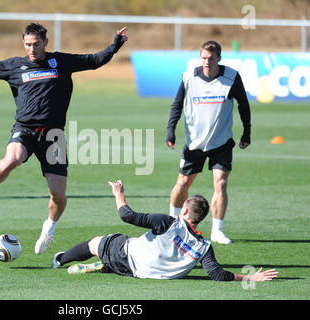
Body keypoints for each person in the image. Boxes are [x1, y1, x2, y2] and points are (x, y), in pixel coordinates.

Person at [0, 23, 128, 255]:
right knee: (13, 158)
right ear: (24, 43)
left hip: (53, 135)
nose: (32, 48)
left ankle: (48, 229)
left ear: (46, 43)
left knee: (58, 196)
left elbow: (93, 60)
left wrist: (115, 44)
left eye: (36, 44)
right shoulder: (14, 66)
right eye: (28, 44)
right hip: (25, 129)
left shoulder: (60, 62)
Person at [52, 180, 278, 283]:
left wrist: (118, 193)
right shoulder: (204, 246)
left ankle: (60, 260)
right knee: (134, 243)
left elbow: (127, 216)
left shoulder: (169, 222)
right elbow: (217, 274)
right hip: (143, 274)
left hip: (127, 256)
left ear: (186, 210)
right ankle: (107, 266)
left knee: (98, 242)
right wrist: (251, 277)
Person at [165, 40, 251, 244]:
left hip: (221, 143)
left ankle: (217, 231)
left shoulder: (231, 77)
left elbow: (243, 105)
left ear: (219, 58)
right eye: (203, 58)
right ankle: (172, 223)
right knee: (183, 183)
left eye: (211, 58)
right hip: (194, 143)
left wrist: (246, 132)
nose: (207, 62)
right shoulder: (189, 77)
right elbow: (177, 105)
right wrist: (171, 131)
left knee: (221, 184)